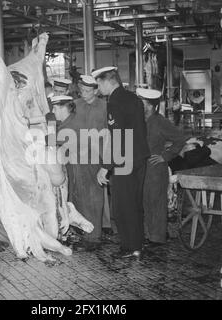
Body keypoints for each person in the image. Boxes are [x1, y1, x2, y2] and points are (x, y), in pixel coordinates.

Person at [93, 66, 150, 259]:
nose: (98, 88)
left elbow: (117, 138)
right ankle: (137, 244)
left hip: (125, 161)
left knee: (123, 205)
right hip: (140, 158)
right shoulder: (133, 98)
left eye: (98, 84)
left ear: (107, 81)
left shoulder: (115, 101)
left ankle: (130, 247)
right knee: (135, 203)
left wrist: (105, 168)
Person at [61, 75, 108, 251]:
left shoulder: (104, 107)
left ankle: (94, 237)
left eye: (89, 91)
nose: (85, 94)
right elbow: (65, 124)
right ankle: (82, 233)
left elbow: (111, 132)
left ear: (96, 90)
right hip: (75, 157)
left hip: (95, 159)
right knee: (77, 196)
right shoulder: (75, 105)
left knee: (94, 198)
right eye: (82, 91)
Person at [137, 88, 186, 247]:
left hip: (156, 169)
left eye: (141, 102)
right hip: (142, 168)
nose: (139, 105)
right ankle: (150, 233)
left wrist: (165, 156)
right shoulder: (139, 120)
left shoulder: (161, 122)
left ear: (150, 106)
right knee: (145, 202)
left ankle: (157, 238)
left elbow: (180, 139)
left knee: (156, 203)